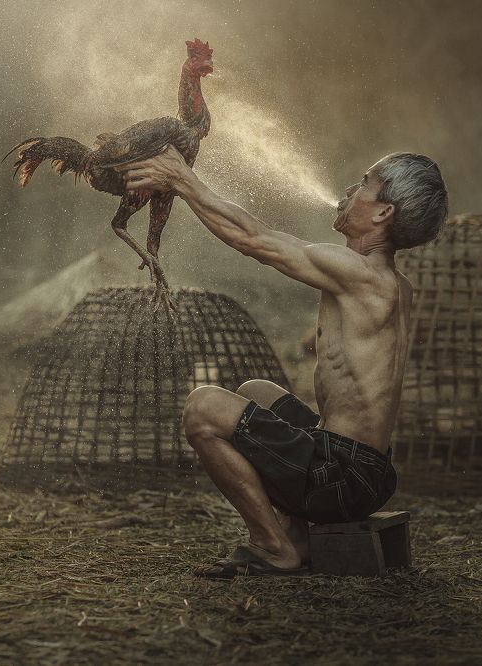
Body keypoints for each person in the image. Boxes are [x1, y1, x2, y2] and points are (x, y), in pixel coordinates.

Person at [117, 147, 448, 577]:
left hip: (341, 477)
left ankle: (275, 547)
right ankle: (294, 532)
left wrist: (183, 180)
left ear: (384, 212)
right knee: (256, 391)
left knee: (202, 409)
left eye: (364, 183)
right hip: (370, 471)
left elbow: (252, 238)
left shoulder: (359, 274)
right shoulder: (393, 284)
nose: (349, 190)